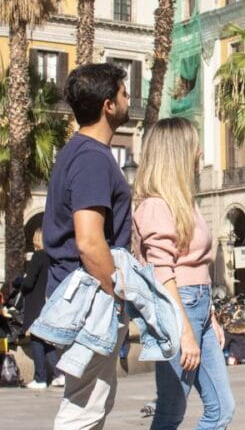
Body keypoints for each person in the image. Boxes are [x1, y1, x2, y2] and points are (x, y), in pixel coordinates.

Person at [43, 63, 132, 428]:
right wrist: (119, 291)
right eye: (125, 93)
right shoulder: (92, 158)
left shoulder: (78, 152)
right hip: (90, 296)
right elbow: (90, 240)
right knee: (84, 408)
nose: (129, 99)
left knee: (89, 401)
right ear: (108, 105)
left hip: (80, 292)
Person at [133, 117, 234, 430]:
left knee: (222, 409)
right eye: (194, 146)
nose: (201, 153)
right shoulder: (154, 206)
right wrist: (185, 331)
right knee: (170, 412)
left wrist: (210, 317)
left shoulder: (184, 202)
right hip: (178, 309)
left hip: (198, 306)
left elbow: (196, 264)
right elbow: (162, 272)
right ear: (177, 153)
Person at [21, 228, 64, 389]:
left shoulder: (38, 257)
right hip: (50, 302)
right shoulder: (54, 258)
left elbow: (28, 283)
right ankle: (59, 374)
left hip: (36, 303)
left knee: (36, 339)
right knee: (45, 340)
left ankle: (40, 378)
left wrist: (21, 282)